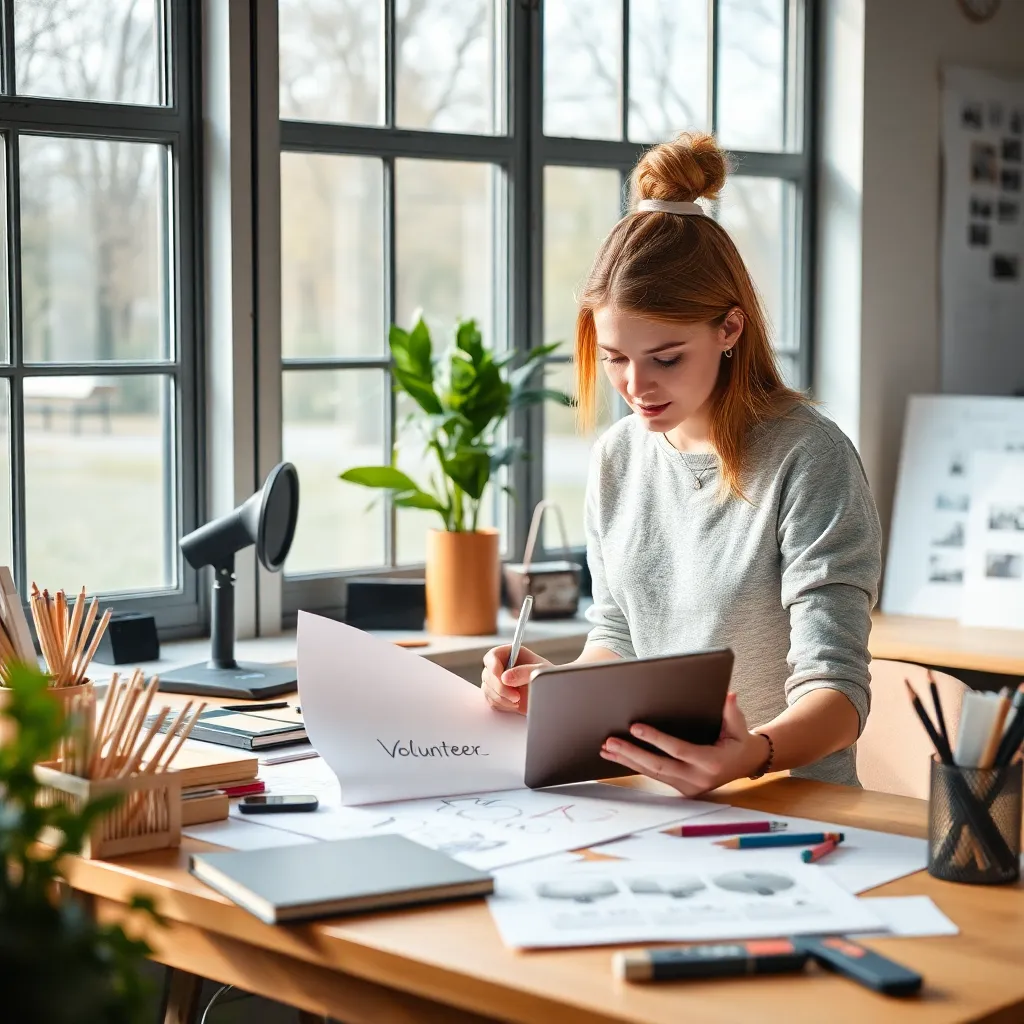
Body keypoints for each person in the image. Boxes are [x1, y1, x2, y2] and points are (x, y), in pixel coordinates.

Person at [481, 131, 882, 796]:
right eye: (614, 358)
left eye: (665, 357)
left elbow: (839, 695)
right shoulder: (617, 457)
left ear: (729, 330)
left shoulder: (809, 458)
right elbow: (617, 634)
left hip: (794, 808)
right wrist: (549, 686)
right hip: (652, 805)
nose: (636, 386)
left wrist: (751, 754)